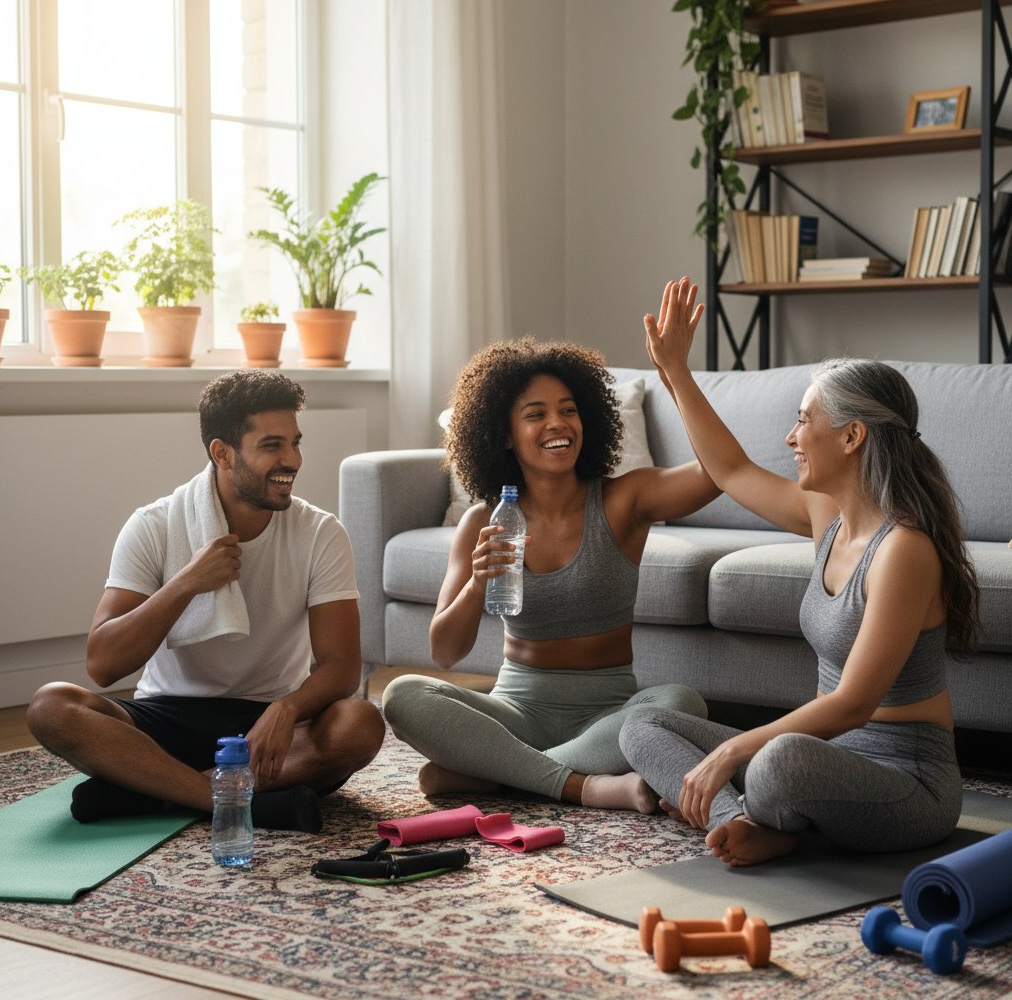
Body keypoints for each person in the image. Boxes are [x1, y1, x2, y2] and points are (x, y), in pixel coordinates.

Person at [619, 276, 980, 865]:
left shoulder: (903, 551)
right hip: (822, 760)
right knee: (641, 725)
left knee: (777, 760)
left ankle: (760, 811)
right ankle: (741, 822)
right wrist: (676, 372)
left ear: (852, 435)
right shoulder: (827, 517)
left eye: (804, 420)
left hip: (906, 783)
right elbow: (730, 470)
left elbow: (853, 705)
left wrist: (729, 754)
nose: (791, 437)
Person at [382, 310, 720, 813]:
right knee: (402, 694)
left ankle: (499, 774)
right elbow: (445, 653)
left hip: (609, 715)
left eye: (568, 410)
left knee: (681, 704)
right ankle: (582, 785)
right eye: (535, 414)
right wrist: (477, 585)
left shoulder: (624, 500)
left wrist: (677, 373)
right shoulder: (482, 522)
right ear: (504, 434)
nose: (557, 424)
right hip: (515, 713)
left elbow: (718, 473)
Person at [27, 369, 385, 832]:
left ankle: (149, 791)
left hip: (267, 725)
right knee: (50, 707)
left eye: (295, 442)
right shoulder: (153, 526)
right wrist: (185, 584)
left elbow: (342, 666)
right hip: (165, 717)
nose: (293, 459)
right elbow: (103, 665)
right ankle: (223, 799)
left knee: (360, 725)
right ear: (222, 453)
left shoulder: (320, 533)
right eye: (272, 445)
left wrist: (287, 709)